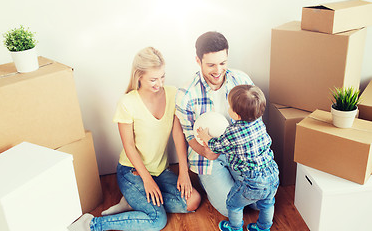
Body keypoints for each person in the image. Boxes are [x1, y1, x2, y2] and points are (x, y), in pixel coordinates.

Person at [68, 47, 201, 231]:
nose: (160, 83)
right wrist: (146, 180)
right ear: (139, 76)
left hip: (160, 170)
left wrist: (184, 172)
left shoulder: (173, 94)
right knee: (157, 220)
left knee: (193, 200)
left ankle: (136, 203)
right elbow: (129, 146)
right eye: (153, 79)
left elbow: (178, 135)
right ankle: (91, 224)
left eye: (162, 77)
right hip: (132, 171)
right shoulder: (127, 102)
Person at [175, 31, 254, 217]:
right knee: (231, 210)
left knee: (259, 202)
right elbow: (188, 135)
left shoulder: (242, 81)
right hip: (209, 158)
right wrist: (205, 151)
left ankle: (237, 184)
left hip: (239, 151)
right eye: (211, 65)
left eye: (223, 63)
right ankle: (220, 183)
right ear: (198, 60)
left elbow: (254, 121)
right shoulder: (186, 94)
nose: (218, 71)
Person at [197, 85, 279, 231]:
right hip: (272, 174)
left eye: (229, 106)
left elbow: (217, 146)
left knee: (233, 204)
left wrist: (206, 136)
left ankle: (235, 228)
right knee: (268, 203)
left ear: (236, 115)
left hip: (252, 181)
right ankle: (263, 227)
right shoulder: (259, 122)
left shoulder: (234, 133)